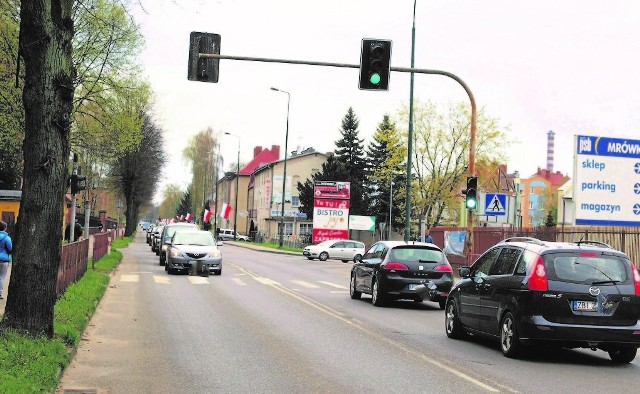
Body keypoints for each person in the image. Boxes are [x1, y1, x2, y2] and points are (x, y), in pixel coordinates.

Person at [0, 220, 13, 300]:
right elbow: (10, 248)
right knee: (1, 277)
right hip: (3, 260)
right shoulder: (7, 238)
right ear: (5, 228)